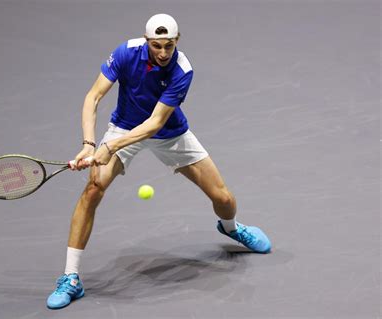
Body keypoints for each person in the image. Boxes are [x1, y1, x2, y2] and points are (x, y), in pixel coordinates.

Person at [46, 13, 271, 310]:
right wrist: (89, 144)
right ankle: (71, 278)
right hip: (124, 126)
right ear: (147, 41)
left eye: (168, 45)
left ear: (177, 41)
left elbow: (154, 124)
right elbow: (93, 97)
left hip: (169, 133)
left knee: (223, 197)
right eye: (156, 45)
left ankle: (230, 228)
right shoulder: (126, 52)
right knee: (93, 188)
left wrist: (108, 147)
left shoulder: (182, 69)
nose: (163, 52)